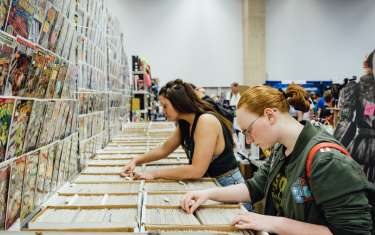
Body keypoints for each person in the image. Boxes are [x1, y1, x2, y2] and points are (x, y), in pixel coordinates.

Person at [180, 83, 375, 235]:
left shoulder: (326, 161)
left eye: (248, 131)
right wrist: (209, 194)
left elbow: (352, 232)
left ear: (270, 116)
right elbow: (255, 187)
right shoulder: (281, 150)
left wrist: (276, 223)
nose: (248, 139)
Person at [121, 79, 251, 209]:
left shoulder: (205, 121)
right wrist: (135, 160)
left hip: (228, 187)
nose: (162, 111)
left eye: (165, 106)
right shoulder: (185, 122)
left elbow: (196, 171)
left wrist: (154, 174)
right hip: (212, 186)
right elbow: (164, 149)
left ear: (178, 103)